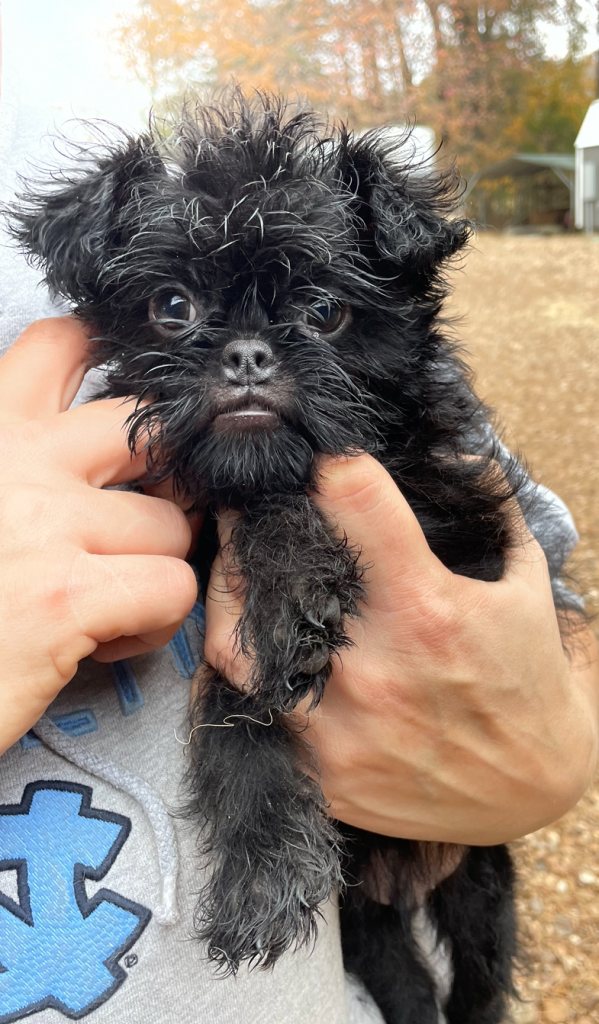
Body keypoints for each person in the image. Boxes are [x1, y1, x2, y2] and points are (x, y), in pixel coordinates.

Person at [0, 28, 597, 1024]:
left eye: (316, 314)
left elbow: (543, 615)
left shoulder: (412, 430)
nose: (242, 357)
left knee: (470, 968)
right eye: (176, 306)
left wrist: (556, 744)